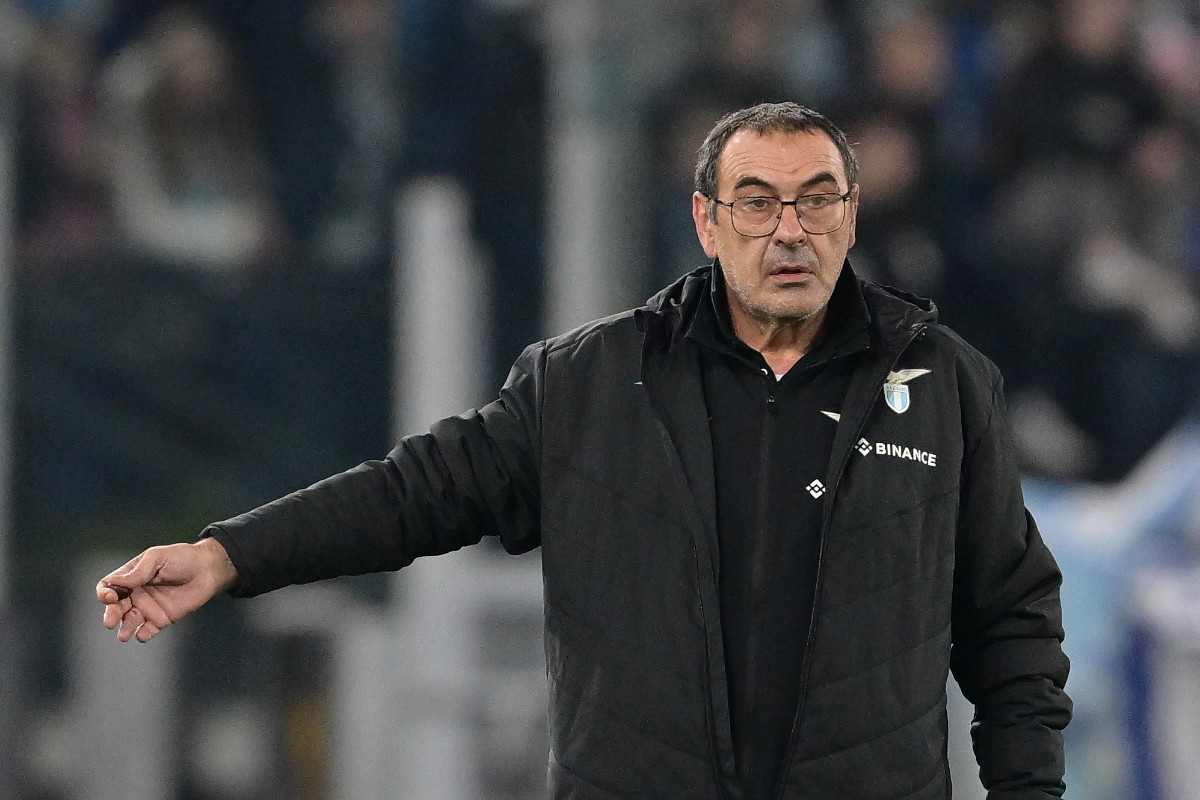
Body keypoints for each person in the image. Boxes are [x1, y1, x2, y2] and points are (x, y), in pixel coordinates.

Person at [97, 102, 1071, 799]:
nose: (790, 230)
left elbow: (1012, 620)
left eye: (817, 200)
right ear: (706, 221)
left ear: (851, 217)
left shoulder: (946, 387)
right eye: (757, 201)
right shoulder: (589, 382)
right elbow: (413, 493)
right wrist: (229, 554)